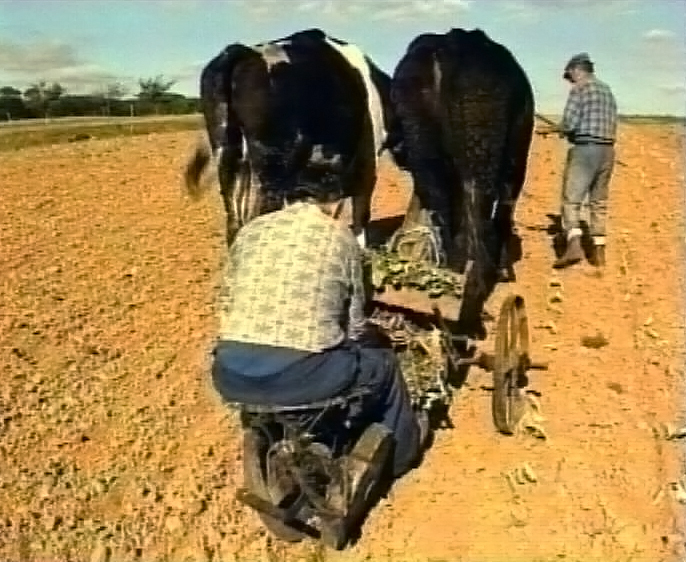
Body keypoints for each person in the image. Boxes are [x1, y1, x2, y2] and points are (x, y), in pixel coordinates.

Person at [210, 179, 428, 479]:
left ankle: (295, 424)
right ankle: (403, 456)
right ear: (334, 202)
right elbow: (355, 327)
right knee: (384, 365)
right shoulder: (340, 235)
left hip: (230, 373)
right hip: (302, 377)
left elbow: (225, 303)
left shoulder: (250, 231)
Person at [553, 52, 618, 269]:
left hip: (585, 150)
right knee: (599, 202)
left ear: (576, 70)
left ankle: (574, 247)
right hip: (607, 150)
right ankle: (599, 252)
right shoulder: (607, 90)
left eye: (570, 75)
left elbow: (570, 124)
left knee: (571, 200)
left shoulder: (579, 89)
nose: (570, 80)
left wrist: (560, 129)